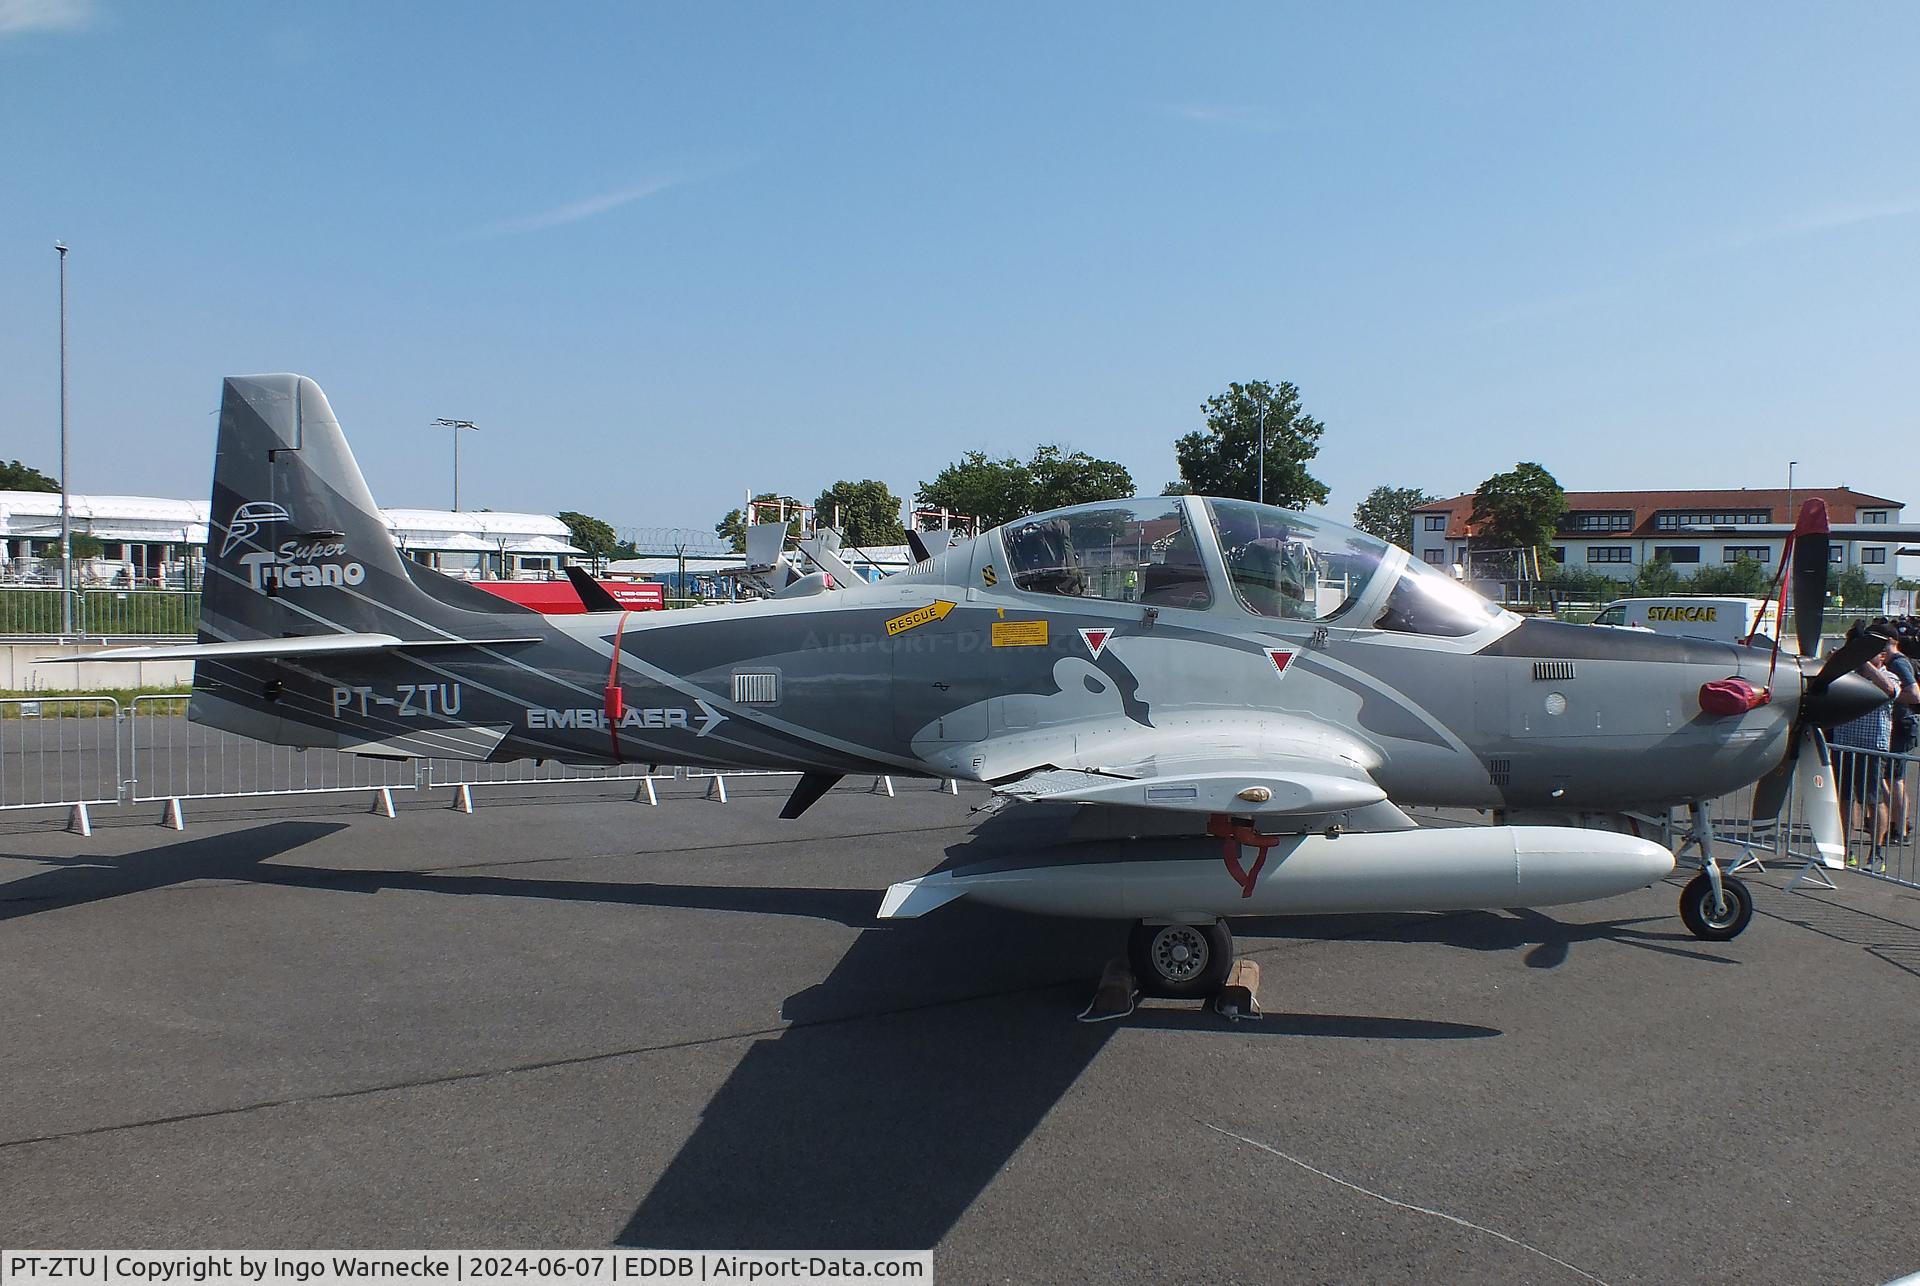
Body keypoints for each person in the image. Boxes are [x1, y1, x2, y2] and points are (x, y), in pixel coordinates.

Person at [1829, 631, 1902, 870]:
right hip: (1845, 743)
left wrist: (1866, 665)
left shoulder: (1888, 675)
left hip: (1871, 746)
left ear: (1882, 656)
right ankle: (1846, 847)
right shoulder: (1848, 676)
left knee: (1872, 798)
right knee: (1846, 798)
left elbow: (1891, 691)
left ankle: (1876, 852)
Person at [1882, 629, 1920, 844]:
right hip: (1899, 724)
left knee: (1894, 778)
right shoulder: (1897, 661)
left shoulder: (1898, 663)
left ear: (1890, 641)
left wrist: (1889, 695)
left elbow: (1914, 695)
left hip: (1902, 724)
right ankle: (1900, 821)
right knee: (1892, 777)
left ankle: (1900, 827)